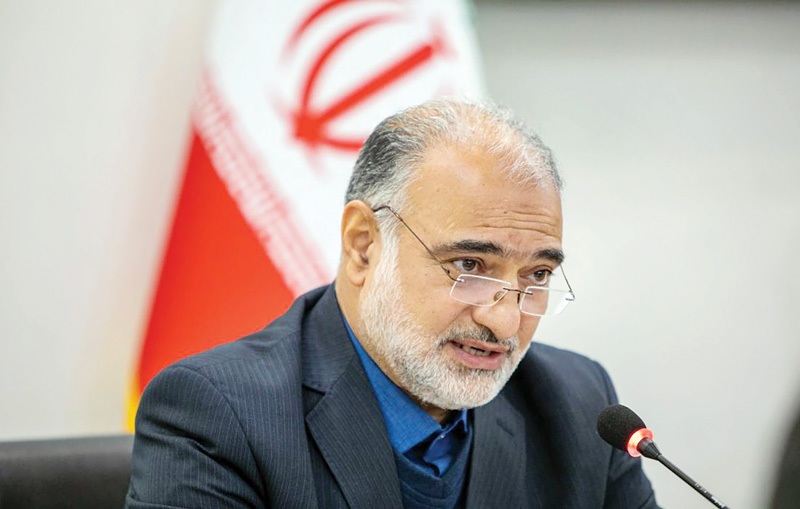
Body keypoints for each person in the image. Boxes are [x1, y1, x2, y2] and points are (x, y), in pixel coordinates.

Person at [125, 99, 658, 508]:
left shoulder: (580, 405)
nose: (504, 320)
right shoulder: (218, 414)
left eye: (537, 275)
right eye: (469, 265)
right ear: (363, 245)